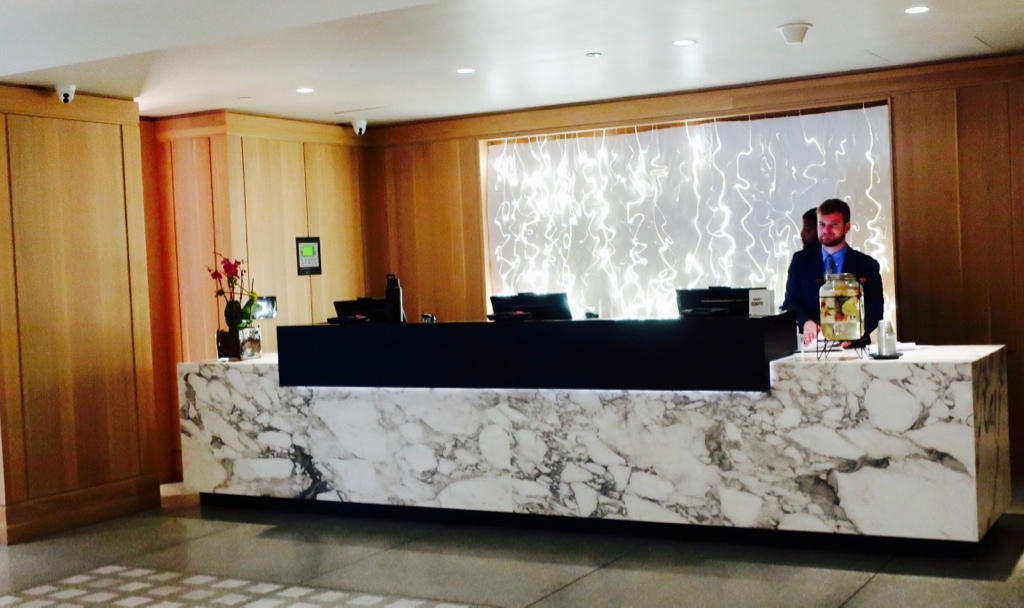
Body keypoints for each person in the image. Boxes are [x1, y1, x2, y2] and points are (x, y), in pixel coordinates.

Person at [782, 198, 883, 346]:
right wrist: (806, 322)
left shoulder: (867, 265)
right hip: (813, 346)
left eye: (833, 225)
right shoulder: (800, 261)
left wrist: (854, 334)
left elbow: (876, 312)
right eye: (822, 225)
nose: (826, 230)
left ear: (847, 227)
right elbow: (791, 302)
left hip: (855, 348)